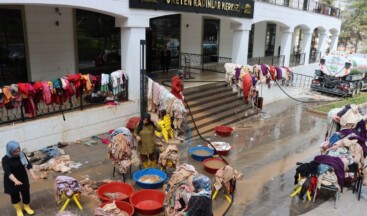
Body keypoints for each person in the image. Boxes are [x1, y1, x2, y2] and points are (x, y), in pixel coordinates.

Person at [2, 141, 40, 216]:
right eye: (15, 152)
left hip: (23, 178)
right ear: (10, 151)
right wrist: (15, 180)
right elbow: (8, 172)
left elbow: (28, 165)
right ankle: (18, 210)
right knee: (15, 196)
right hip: (11, 181)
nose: (17, 153)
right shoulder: (5, 159)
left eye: (18, 151)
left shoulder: (22, 155)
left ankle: (26, 207)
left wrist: (33, 175)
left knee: (26, 194)